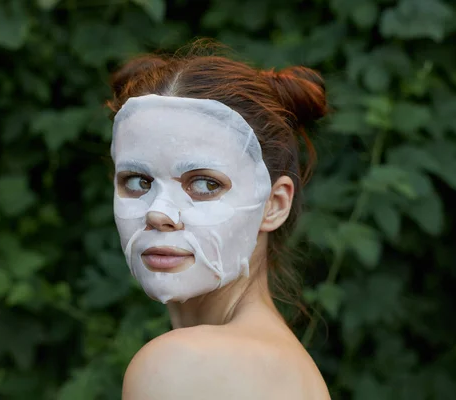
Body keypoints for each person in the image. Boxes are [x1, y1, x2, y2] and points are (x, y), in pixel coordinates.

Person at [106, 41, 331, 400]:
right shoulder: (291, 368)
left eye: (205, 184)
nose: (158, 213)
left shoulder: (183, 364)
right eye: (138, 181)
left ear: (274, 204)